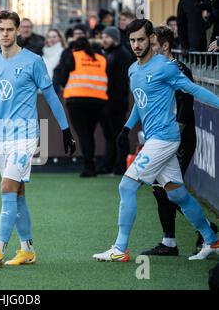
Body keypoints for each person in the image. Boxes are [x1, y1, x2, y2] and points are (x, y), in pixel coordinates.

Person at [93, 19, 219, 263]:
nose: (137, 45)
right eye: (132, 40)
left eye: (141, 39)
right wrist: (126, 128)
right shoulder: (133, 70)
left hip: (164, 138)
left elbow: (193, 90)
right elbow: (141, 104)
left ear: (150, 39)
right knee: (177, 194)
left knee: (126, 186)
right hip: (155, 139)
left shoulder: (165, 67)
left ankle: (120, 249)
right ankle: (212, 239)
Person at [0, 10, 76, 266]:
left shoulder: (33, 61)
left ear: (17, 31)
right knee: (18, 192)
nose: (5, 34)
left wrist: (65, 129)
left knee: (6, 187)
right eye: (1, 30)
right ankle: (27, 249)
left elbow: (50, 95)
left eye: (9, 30)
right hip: (1, 136)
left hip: (25, 135)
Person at [141, 26, 218, 256]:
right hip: (161, 138)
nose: (147, 48)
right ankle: (169, 242)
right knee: (159, 188)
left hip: (179, 140)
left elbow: (185, 105)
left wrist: (172, 138)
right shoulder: (153, 69)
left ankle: (210, 231)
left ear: (165, 46)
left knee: (172, 190)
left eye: (153, 44)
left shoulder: (178, 69)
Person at [55, 37, 108, 177]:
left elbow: (62, 79)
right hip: (98, 101)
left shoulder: (72, 56)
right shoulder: (100, 58)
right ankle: (90, 165)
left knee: (83, 135)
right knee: (89, 134)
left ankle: (88, 167)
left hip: (76, 101)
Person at [98, 26, 134, 175]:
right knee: (110, 136)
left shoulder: (122, 55)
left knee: (118, 135)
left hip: (116, 104)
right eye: (103, 37)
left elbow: (120, 84)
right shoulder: (111, 54)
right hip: (108, 102)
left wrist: (112, 103)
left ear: (115, 39)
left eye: (107, 37)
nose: (104, 40)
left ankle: (120, 166)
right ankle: (110, 164)